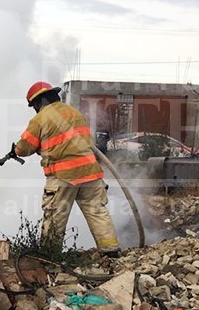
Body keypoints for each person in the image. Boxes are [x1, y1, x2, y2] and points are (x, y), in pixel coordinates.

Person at [11, 81, 120, 257]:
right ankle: (111, 252)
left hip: (63, 176)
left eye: (34, 105)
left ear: (39, 102)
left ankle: (50, 257)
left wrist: (15, 150)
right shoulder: (74, 113)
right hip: (90, 173)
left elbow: (25, 148)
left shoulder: (40, 119)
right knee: (98, 212)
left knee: (55, 217)